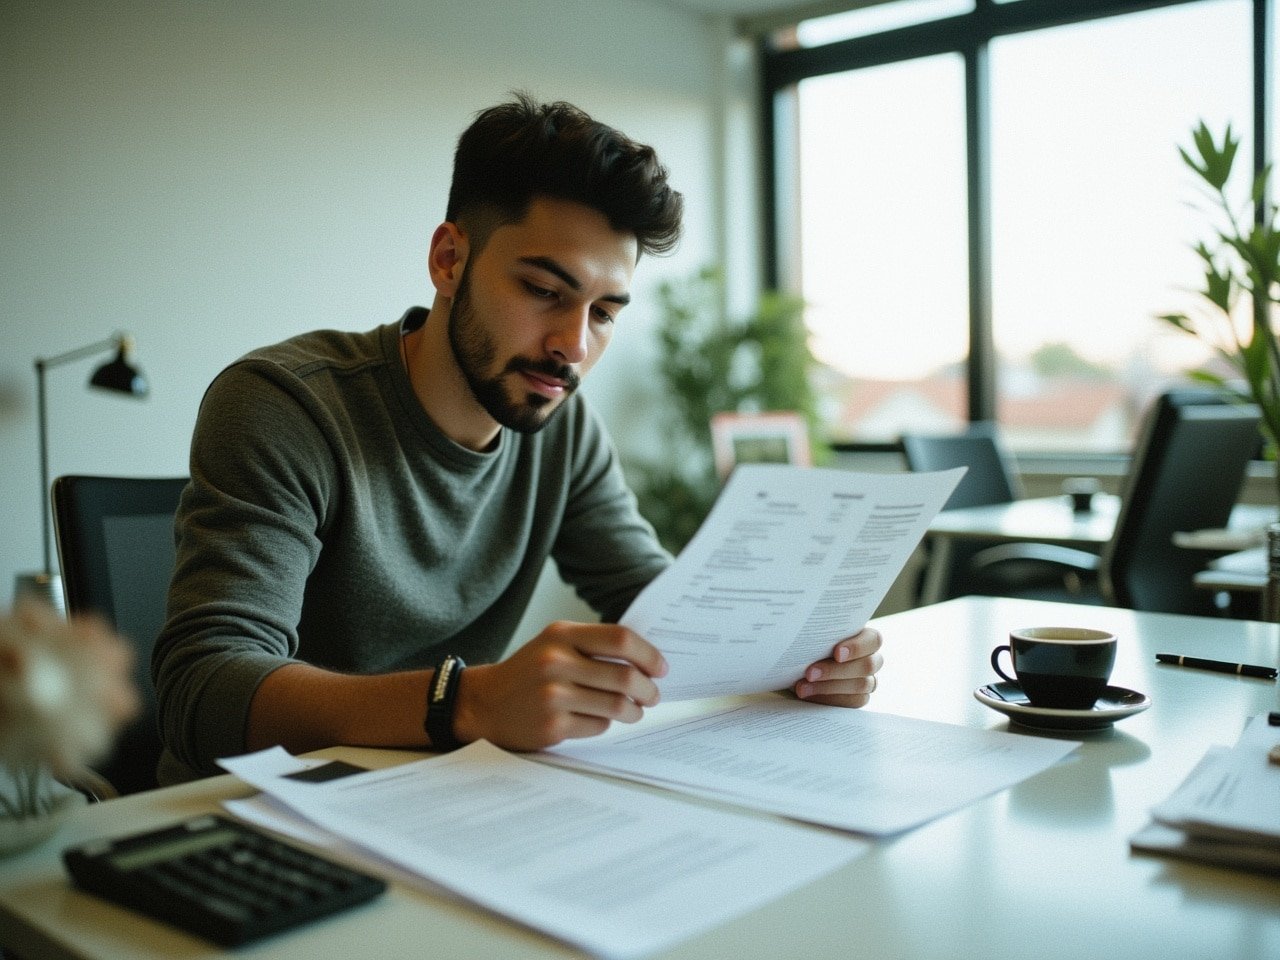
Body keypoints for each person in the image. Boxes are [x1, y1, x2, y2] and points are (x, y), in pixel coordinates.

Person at [153, 93, 883, 785]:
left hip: (442, 797)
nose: (573, 346)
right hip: (249, 815)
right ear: (449, 261)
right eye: (543, 291)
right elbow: (201, 688)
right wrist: (465, 701)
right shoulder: (286, 406)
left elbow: (657, 607)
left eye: (603, 312)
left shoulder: (559, 426)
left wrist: (800, 656)